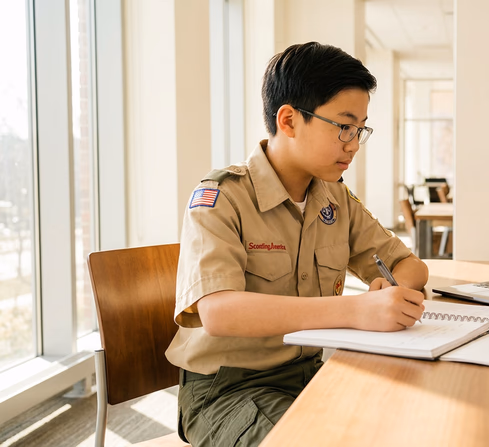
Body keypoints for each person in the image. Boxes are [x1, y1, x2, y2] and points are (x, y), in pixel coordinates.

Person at [165, 42, 429, 446]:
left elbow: (409, 265)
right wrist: (357, 310)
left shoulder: (334, 197)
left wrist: (391, 289)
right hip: (228, 391)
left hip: (313, 374)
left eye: (360, 129)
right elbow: (219, 312)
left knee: (416, 421)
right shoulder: (222, 198)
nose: (353, 144)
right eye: (343, 126)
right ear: (288, 119)